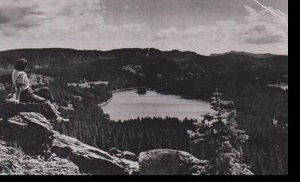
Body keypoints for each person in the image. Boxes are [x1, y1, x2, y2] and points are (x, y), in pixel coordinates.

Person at [12, 58, 69, 123]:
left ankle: (53, 108)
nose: (25, 67)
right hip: (26, 94)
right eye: (25, 66)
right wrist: (17, 99)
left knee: (46, 90)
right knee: (46, 102)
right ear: (22, 66)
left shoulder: (14, 71)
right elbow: (19, 87)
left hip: (29, 91)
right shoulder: (21, 74)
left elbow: (14, 84)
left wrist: (12, 93)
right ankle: (57, 118)